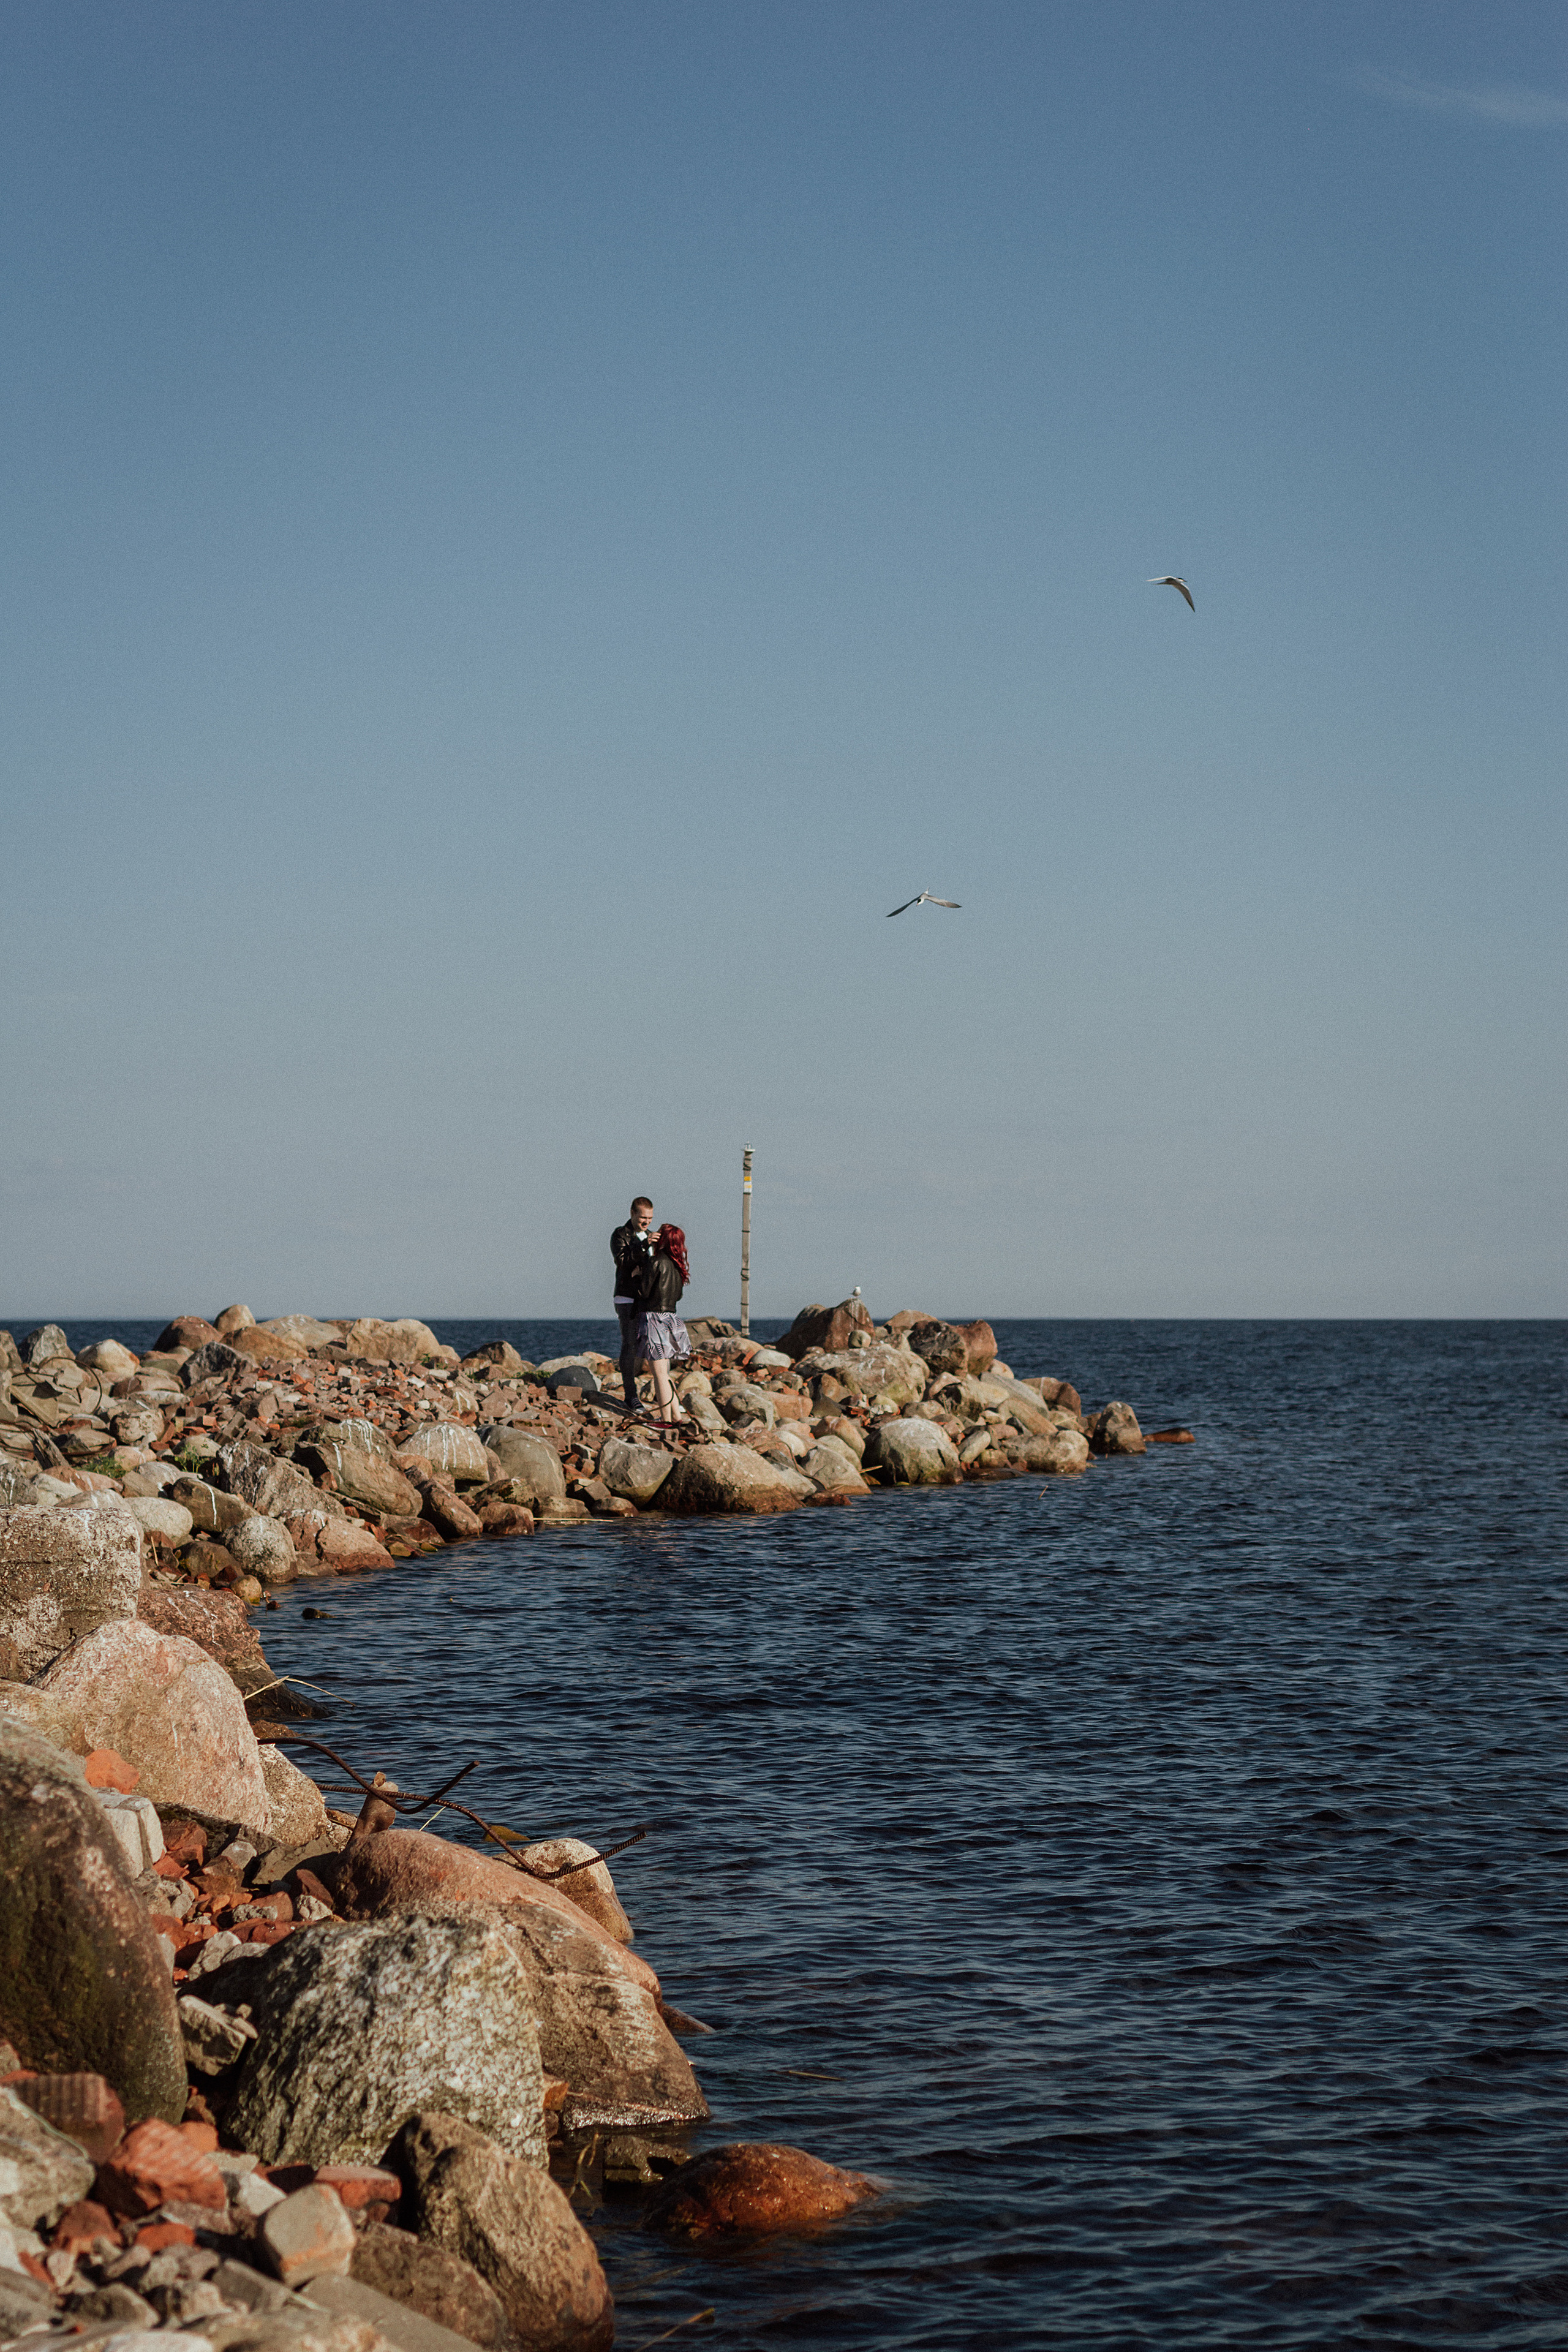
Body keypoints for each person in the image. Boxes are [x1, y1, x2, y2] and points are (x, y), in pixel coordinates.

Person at [633, 1223, 690, 1423]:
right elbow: (679, 1296)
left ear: (662, 1240)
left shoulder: (655, 1261)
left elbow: (644, 1291)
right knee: (664, 1374)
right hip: (671, 1320)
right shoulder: (677, 1266)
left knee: (659, 1375)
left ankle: (666, 1419)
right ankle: (677, 1416)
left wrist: (637, 1276)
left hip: (654, 1319)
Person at [611, 1197, 656, 1409]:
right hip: (626, 1297)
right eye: (642, 1218)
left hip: (647, 1299)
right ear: (632, 1214)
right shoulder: (621, 1234)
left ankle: (660, 1394)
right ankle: (631, 1395)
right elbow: (623, 1261)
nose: (646, 1222)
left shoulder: (651, 1236)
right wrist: (644, 1246)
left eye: (649, 1218)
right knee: (629, 1344)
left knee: (650, 1347)